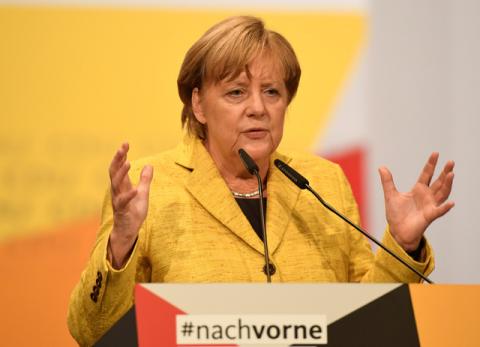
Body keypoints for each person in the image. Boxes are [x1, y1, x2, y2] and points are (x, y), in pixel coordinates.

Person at [67, 16, 455, 346]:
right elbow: (91, 331)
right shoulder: (151, 186)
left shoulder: (323, 182)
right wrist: (120, 243)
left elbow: (367, 325)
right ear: (198, 104)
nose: (258, 108)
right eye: (236, 92)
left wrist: (402, 245)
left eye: (272, 92)